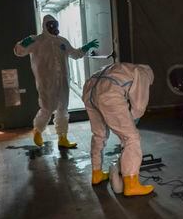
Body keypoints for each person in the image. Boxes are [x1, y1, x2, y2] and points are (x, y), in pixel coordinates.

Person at [14, 14, 98, 148]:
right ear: (45, 26)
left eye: (55, 24)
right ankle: (38, 131)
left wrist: (86, 47)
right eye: (50, 24)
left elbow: (75, 54)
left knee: (63, 109)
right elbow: (19, 52)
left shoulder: (62, 41)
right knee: (47, 108)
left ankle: (62, 138)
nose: (54, 27)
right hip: (46, 82)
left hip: (63, 81)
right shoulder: (36, 40)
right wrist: (22, 44)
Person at [82, 62, 154, 197]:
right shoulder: (144, 73)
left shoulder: (123, 68)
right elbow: (139, 106)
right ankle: (132, 185)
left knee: (99, 134)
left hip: (90, 89)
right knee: (132, 138)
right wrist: (130, 122)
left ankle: (96, 174)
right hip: (108, 93)